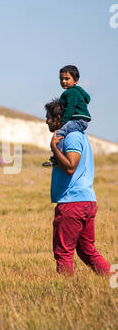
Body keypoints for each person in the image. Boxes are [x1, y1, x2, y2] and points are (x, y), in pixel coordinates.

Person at [45, 98, 111, 276]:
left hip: (72, 202)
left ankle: (65, 294)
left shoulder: (72, 137)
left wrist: (54, 147)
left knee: (63, 252)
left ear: (59, 118)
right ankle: (113, 280)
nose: (46, 121)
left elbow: (70, 167)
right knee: (86, 250)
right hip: (85, 200)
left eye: (49, 118)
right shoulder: (78, 135)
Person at [43, 65, 91, 167]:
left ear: (76, 80)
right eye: (61, 79)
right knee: (62, 133)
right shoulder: (78, 90)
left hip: (78, 120)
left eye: (67, 79)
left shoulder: (71, 92)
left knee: (60, 134)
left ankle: (56, 157)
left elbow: (70, 108)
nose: (63, 81)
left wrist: (63, 121)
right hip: (82, 120)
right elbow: (88, 98)